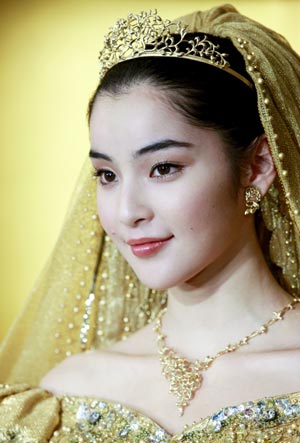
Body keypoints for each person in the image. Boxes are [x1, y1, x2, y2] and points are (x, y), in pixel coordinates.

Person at [1, 3, 300, 442]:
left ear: (257, 165)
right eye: (107, 175)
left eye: (163, 168)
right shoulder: (63, 400)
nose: (126, 212)